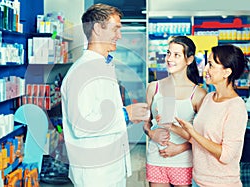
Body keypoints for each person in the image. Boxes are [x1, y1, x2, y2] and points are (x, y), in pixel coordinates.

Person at [60, 3, 149, 187]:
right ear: (97, 29)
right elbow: (81, 125)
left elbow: (102, 112)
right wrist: (125, 114)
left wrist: (128, 116)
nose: (120, 35)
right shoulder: (82, 72)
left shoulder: (102, 65)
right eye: (115, 29)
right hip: (95, 173)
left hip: (110, 167)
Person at [175, 44, 249, 187]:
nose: (205, 69)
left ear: (226, 72)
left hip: (221, 183)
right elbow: (197, 139)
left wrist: (193, 132)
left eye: (211, 64)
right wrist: (170, 125)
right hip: (198, 180)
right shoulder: (209, 98)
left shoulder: (236, 107)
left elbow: (226, 155)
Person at [143, 36, 207, 187]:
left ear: (189, 60)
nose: (169, 59)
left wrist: (180, 148)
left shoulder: (198, 94)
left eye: (176, 55)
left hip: (183, 160)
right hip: (155, 157)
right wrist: (151, 133)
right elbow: (146, 124)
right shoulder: (154, 87)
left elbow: (203, 137)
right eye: (168, 53)